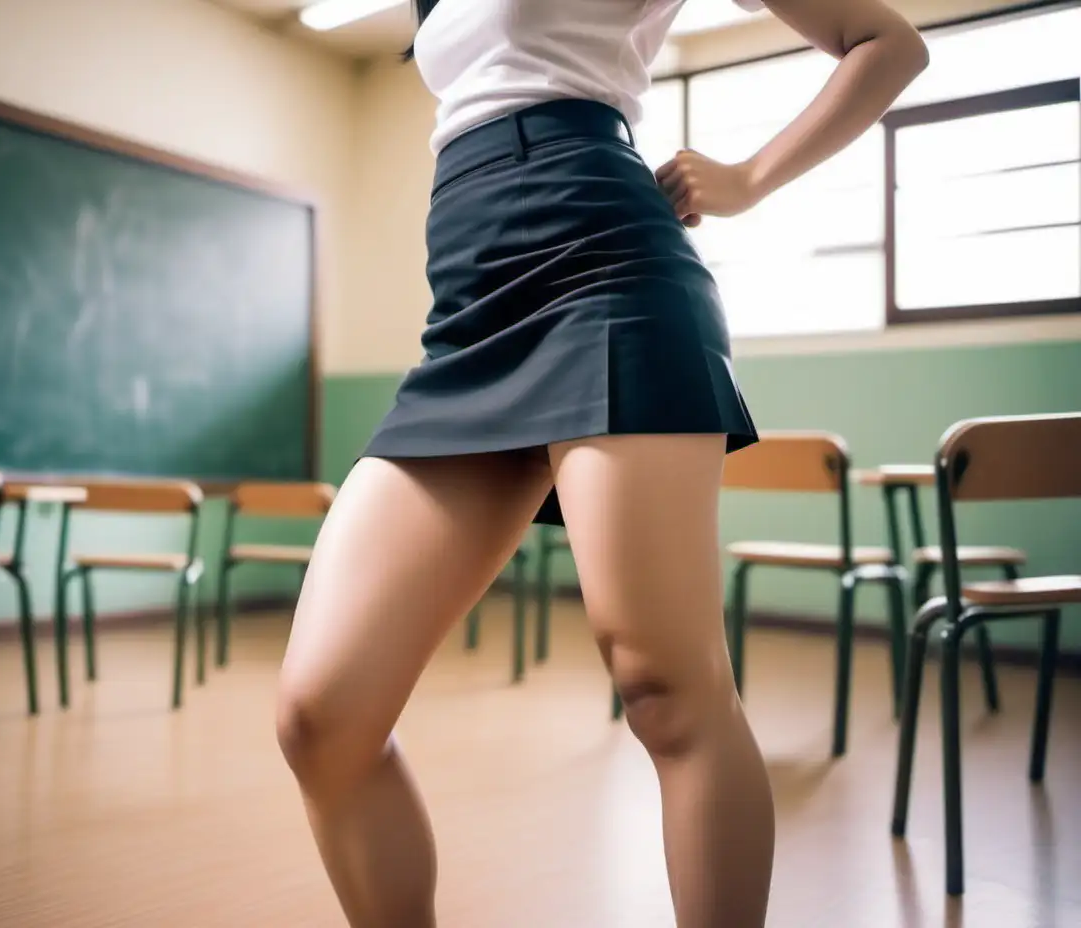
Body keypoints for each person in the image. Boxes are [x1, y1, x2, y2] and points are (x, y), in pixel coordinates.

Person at [275, 0, 928, 925]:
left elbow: (887, 44)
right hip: (468, 306)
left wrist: (745, 179)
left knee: (667, 688)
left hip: (608, 270)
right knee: (321, 716)